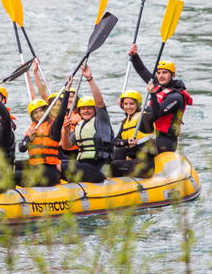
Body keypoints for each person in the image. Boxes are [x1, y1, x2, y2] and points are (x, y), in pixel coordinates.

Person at [126, 44, 193, 176]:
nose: (161, 76)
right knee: (123, 147)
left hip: (166, 141)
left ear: (172, 75)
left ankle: (144, 174)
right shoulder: (158, 85)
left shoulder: (176, 97)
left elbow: (156, 114)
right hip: (152, 136)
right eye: (159, 73)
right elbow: (142, 71)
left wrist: (150, 95)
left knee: (134, 150)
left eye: (165, 73)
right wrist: (134, 56)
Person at [61, 64, 113, 183]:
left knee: (59, 167)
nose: (86, 110)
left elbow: (99, 101)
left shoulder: (101, 121)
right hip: (84, 165)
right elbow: (66, 146)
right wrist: (66, 130)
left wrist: (89, 79)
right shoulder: (80, 126)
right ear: (79, 111)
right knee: (57, 163)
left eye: (89, 108)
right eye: (83, 108)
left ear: (95, 110)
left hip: (99, 168)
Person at [14, 91, 69, 187]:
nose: (39, 114)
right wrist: (29, 140)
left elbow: (61, 113)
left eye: (41, 111)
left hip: (49, 171)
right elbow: (21, 148)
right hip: (35, 168)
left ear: (46, 111)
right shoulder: (32, 130)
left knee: (12, 176)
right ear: (32, 116)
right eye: (35, 113)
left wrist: (67, 91)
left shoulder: (54, 127)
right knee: (14, 165)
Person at [109, 89, 153, 177]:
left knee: (112, 166)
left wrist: (153, 94)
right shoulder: (126, 121)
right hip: (132, 161)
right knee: (117, 153)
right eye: (125, 104)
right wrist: (126, 142)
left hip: (144, 163)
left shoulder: (144, 118)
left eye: (131, 104)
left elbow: (157, 113)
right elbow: (116, 141)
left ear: (138, 104)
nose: (128, 107)